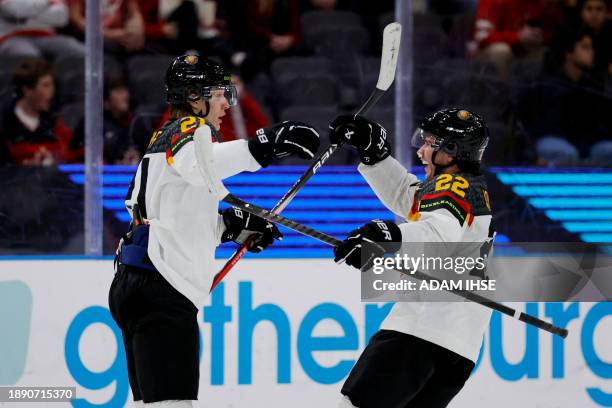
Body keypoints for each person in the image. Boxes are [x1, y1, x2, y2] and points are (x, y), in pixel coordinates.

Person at [108, 51, 320, 406]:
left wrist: (228, 227)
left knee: (155, 403)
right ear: (194, 97)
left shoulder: (166, 137)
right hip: (161, 285)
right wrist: (261, 147)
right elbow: (199, 168)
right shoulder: (192, 130)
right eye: (219, 93)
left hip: (137, 278)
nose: (225, 103)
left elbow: (170, 209)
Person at [330, 108, 494, 408]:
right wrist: (375, 155)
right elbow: (410, 198)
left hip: (418, 335)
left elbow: (437, 236)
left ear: (451, 153)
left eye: (431, 143)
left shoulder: (453, 187)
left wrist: (388, 237)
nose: (421, 150)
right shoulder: (471, 191)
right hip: (459, 349)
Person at [1, 58, 79, 165]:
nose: (52, 91)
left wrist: (55, 159)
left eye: (52, 85)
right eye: (45, 85)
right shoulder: (5, 123)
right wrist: (26, 167)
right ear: (27, 90)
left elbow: (73, 153)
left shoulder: (53, 121)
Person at [0, 0, 85, 59]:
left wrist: (27, 13)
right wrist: (47, 2)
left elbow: (61, 17)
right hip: (12, 38)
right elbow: (14, 11)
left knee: (82, 53)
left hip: (47, 37)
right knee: (30, 58)